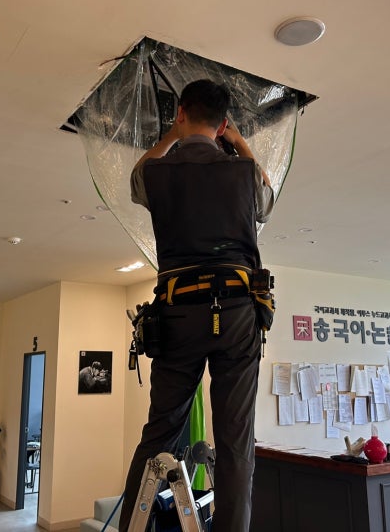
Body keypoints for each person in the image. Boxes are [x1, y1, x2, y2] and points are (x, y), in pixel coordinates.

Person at [119, 79, 274, 532]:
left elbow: (135, 180)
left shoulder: (157, 172)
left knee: (160, 432)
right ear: (223, 125)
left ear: (181, 113)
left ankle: (132, 526)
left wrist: (171, 136)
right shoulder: (244, 171)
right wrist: (239, 143)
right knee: (235, 441)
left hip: (177, 313)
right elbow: (265, 203)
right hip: (238, 311)